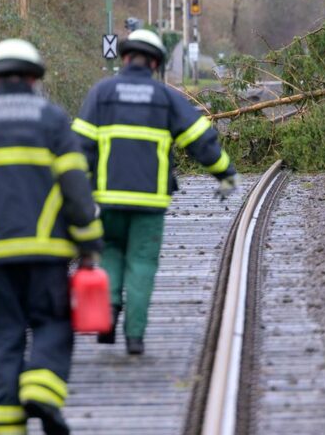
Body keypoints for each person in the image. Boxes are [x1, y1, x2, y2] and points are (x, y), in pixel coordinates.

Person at [0, 39, 102, 435]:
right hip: (48, 256)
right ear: (33, 78)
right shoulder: (53, 120)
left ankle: (9, 427)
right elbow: (77, 189)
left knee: (3, 338)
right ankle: (41, 389)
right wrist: (89, 244)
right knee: (52, 324)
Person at [72, 29, 237, 355]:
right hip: (150, 202)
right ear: (156, 63)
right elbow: (200, 140)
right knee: (142, 263)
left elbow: (80, 148)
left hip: (107, 200)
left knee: (111, 254)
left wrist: (76, 192)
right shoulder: (166, 98)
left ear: (125, 58)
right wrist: (225, 173)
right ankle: (135, 336)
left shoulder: (101, 94)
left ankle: (107, 316)